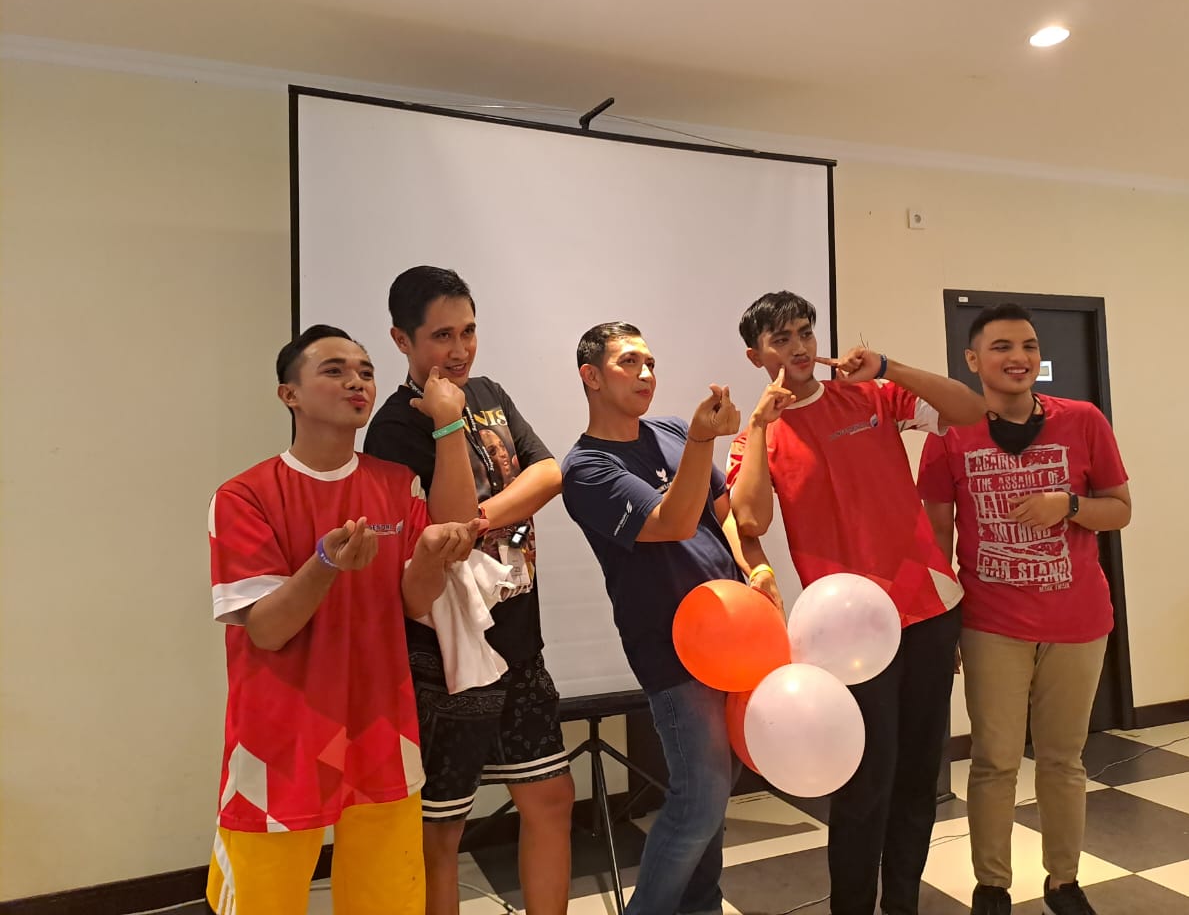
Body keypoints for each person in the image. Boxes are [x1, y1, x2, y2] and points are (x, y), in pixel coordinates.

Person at [205, 324, 482, 915]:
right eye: (334, 371)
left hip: (383, 727)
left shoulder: (396, 483)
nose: (356, 382)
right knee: (264, 900)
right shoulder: (244, 496)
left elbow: (414, 602)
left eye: (365, 372)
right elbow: (266, 630)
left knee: (388, 898)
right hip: (280, 736)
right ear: (289, 395)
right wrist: (325, 565)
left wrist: (430, 558)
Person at [728, 290, 986, 915]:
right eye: (781, 339)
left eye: (805, 332)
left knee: (918, 779)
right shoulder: (757, 435)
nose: (799, 348)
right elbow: (750, 518)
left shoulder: (869, 396)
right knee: (864, 786)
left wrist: (889, 367)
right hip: (845, 636)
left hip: (927, 610)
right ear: (756, 356)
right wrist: (760, 425)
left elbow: (971, 410)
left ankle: (902, 905)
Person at [363, 266, 574, 915]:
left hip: (518, 637)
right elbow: (443, 524)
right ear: (402, 340)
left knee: (551, 798)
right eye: (441, 336)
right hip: (447, 656)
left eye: (469, 331)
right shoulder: (394, 428)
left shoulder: (488, 392)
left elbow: (547, 474)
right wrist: (448, 427)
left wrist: (480, 522)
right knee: (442, 829)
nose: (459, 350)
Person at [916, 303, 1132, 915]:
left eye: (1030, 346)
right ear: (972, 360)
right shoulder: (949, 434)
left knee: (1064, 759)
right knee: (994, 761)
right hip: (991, 624)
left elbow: (1119, 509)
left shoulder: (1083, 420)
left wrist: (1069, 505)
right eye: (1003, 346)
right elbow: (936, 538)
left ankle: (1064, 882)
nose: (1020, 358)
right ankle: (992, 887)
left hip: (1078, 622)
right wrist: (943, 624)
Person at [561, 321, 781, 915]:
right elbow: (673, 523)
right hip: (672, 648)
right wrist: (705, 440)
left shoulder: (672, 431)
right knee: (700, 798)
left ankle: (701, 908)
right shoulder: (586, 469)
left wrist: (755, 568)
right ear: (591, 376)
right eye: (629, 362)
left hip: (733, 634)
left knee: (716, 792)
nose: (646, 374)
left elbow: (722, 513)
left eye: (651, 363)